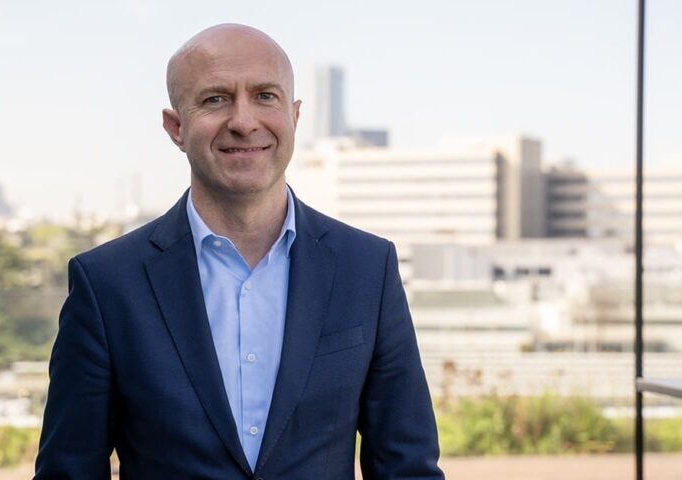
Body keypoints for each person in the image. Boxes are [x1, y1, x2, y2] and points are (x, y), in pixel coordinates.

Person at [34, 24, 443, 479]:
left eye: (265, 96)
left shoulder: (367, 268)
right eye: (215, 99)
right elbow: (67, 472)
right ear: (175, 127)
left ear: (295, 116)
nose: (244, 121)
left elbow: (407, 468)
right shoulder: (107, 284)